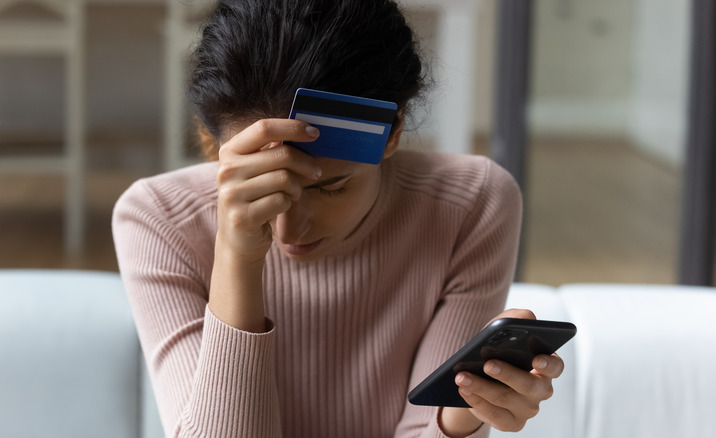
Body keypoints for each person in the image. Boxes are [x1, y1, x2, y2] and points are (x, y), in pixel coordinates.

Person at [112, 1, 564, 437]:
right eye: (265, 189)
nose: (287, 230)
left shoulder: (471, 204)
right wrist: (236, 254)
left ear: (394, 132)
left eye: (329, 186)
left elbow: (436, 422)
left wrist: (461, 415)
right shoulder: (159, 220)